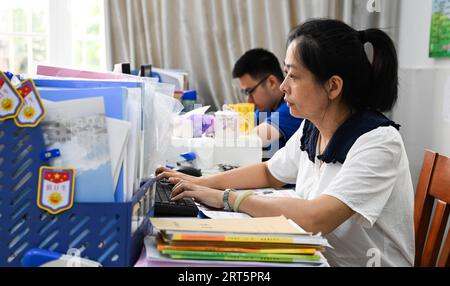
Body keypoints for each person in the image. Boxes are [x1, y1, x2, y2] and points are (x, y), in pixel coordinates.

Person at [156, 19, 415, 267]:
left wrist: (227, 198)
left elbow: (315, 218)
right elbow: (270, 172)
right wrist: (198, 183)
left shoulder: (379, 142)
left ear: (333, 87)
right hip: (316, 257)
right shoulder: (312, 126)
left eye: (293, 76)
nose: (283, 86)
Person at [232, 48, 303, 157]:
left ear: (271, 82)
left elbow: (248, 141)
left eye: (250, 91)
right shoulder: (264, 108)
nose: (249, 100)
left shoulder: (292, 108)